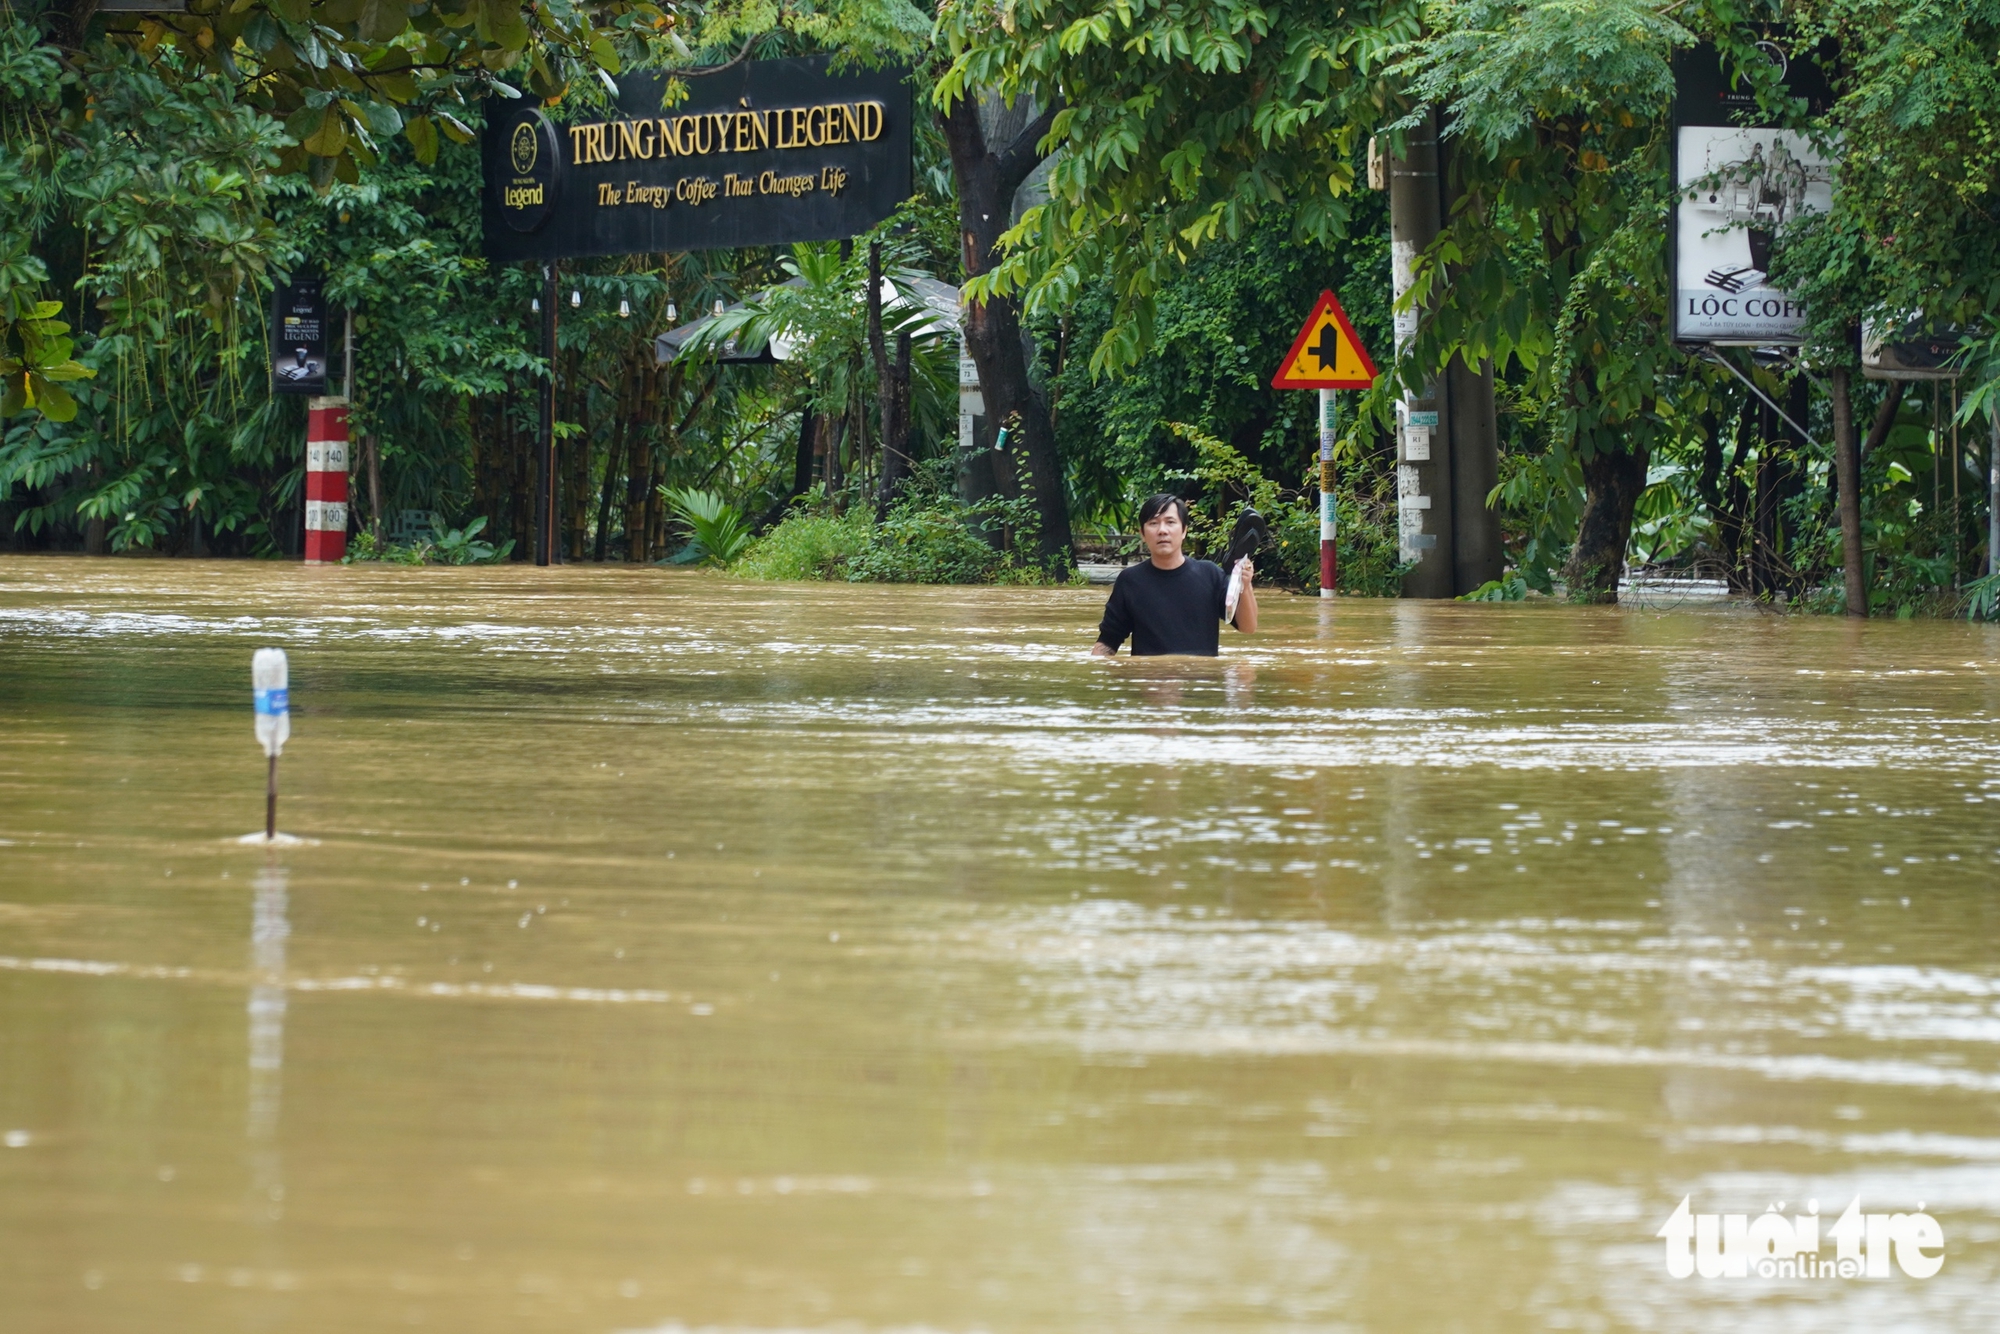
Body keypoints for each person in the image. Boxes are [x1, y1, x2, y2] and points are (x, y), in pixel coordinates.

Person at [1091, 493, 1257, 656]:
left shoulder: (1210, 575)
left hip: (1201, 674)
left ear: (1184, 530)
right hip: (1149, 673)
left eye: (1170, 522)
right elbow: (1108, 641)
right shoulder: (1130, 581)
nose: (1162, 530)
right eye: (1153, 523)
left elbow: (1248, 627)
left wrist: (1245, 585)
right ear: (1142, 533)